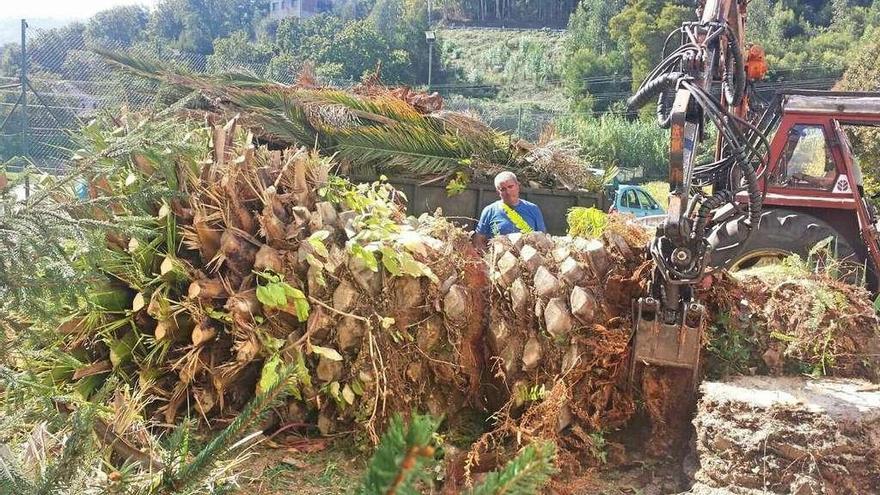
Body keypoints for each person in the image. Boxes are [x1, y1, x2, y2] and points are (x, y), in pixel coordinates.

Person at [473, 171, 546, 250]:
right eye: (503, 189)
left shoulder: (533, 209)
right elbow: (478, 240)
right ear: (498, 192)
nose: (508, 192)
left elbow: (542, 238)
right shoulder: (489, 211)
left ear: (518, 186)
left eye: (510, 187)